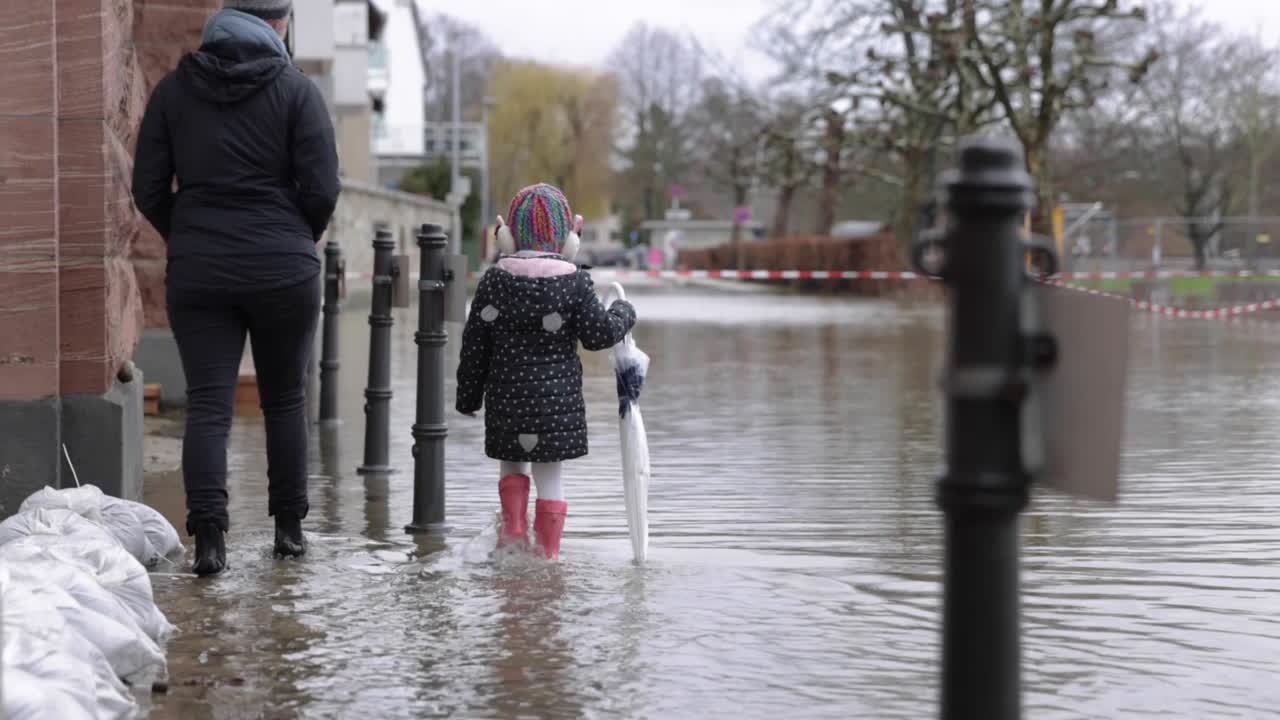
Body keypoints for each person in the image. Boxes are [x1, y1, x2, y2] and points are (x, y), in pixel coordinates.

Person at [132, 0, 340, 576]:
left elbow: (146, 186)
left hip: (201, 272)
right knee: (285, 400)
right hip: (284, 271)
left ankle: (210, 544)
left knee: (208, 404)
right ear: (279, 24)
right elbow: (323, 187)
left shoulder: (174, 91)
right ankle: (290, 533)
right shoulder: (297, 92)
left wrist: (192, 234)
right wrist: (295, 234)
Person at [456, 184, 637, 560]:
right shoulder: (574, 282)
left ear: (506, 234)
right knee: (550, 476)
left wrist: (468, 398)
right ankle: (549, 556)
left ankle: (513, 536)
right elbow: (598, 335)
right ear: (570, 236)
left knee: (512, 465)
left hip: (507, 400)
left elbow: (475, 344)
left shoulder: (493, 281)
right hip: (556, 407)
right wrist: (624, 312)